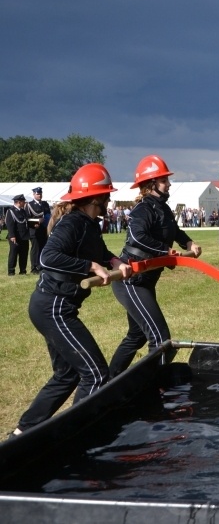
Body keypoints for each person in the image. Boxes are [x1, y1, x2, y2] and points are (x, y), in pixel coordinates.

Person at [10, 164, 132, 436]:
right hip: (53, 307)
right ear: (95, 198)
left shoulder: (87, 224)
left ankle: (19, 435)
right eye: (107, 195)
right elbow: (47, 257)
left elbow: (97, 250)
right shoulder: (73, 222)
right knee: (95, 373)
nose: (109, 200)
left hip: (50, 307)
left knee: (67, 375)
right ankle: (75, 438)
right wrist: (90, 266)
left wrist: (113, 261)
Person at [109, 155, 202, 378]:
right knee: (161, 340)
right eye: (164, 180)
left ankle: (110, 380)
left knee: (136, 335)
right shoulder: (142, 210)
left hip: (147, 280)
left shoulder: (164, 208)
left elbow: (175, 232)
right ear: (152, 185)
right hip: (132, 280)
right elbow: (137, 237)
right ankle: (147, 383)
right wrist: (165, 250)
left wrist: (188, 242)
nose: (168, 184)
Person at [25, 187, 51, 274]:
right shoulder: (29, 205)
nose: (39, 195)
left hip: (44, 230)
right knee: (35, 249)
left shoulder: (45, 204)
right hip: (34, 230)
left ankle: (41, 265)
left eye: (40, 193)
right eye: (38, 194)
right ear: (34, 194)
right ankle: (34, 267)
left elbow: (48, 215)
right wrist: (35, 223)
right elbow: (27, 218)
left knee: (43, 248)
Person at [5, 194, 30, 276]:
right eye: (23, 202)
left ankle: (23, 270)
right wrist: (12, 235)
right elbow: (10, 224)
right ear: (19, 202)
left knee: (24, 254)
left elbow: (26, 222)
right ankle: (11, 271)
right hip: (15, 236)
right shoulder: (11, 211)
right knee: (13, 254)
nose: (24, 203)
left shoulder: (23, 211)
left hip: (24, 236)